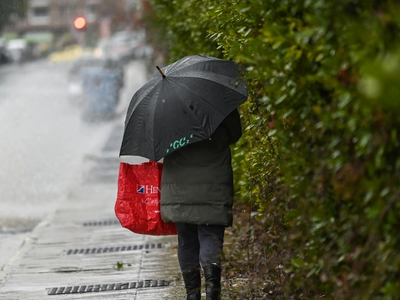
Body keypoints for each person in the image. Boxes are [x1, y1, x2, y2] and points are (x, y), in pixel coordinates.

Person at [160, 109, 242, 300]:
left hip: (178, 187)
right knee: (211, 236)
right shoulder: (220, 102)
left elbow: (158, 145)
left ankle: (192, 295)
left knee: (187, 239)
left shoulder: (165, 111)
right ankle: (213, 292)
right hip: (213, 182)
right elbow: (235, 134)